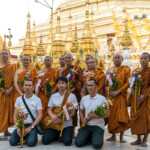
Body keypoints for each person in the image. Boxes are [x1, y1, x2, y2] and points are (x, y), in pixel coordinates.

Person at [42, 76, 78, 146]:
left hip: (66, 124)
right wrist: (52, 116)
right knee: (45, 141)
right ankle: (57, 134)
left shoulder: (72, 96)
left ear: (66, 84)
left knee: (67, 142)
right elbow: (49, 109)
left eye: (63, 83)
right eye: (59, 83)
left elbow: (73, 112)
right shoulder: (53, 96)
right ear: (57, 85)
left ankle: (61, 134)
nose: (61, 85)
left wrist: (62, 120)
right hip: (54, 123)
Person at [75, 79, 109, 149]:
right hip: (87, 125)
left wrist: (97, 116)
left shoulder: (102, 99)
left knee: (97, 145)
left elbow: (108, 114)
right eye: (88, 85)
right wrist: (82, 119)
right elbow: (81, 111)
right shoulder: (84, 98)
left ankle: (94, 137)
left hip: (98, 126)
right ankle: (90, 136)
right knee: (78, 143)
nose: (89, 87)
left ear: (96, 86)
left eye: (91, 85)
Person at [9, 79, 43, 147]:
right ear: (23, 87)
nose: (27, 87)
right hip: (21, 125)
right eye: (26, 85)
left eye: (29, 85)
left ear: (33, 88)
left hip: (31, 125)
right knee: (12, 142)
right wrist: (18, 128)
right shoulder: (19, 99)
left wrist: (30, 128)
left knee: (30, 143)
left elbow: (40, 115)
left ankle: (26, 136)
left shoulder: (37, 99)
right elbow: (15, 115)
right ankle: (24, 136)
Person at [106, 53, 131, 143]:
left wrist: (119, 91)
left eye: (119, 57)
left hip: (121, 95)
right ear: (113, 60)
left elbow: (128, 83)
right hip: (112, 96)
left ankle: (121, 137)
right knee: (112, 116)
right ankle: (113, 135)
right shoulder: (110, 70)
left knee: (122, 116)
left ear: (122, 59)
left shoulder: (126, 69)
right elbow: (107, 83)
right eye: (115, 58)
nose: (117, 59)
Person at [130, 53, 150, 147]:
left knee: (146, 119)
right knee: (135, 118)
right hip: (135, 99)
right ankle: (138, 139)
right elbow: (131, 84)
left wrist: (144, 96)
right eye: (141, 58)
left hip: (146, 99)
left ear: (149, 60)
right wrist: (133, 93)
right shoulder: (135, 71)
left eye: (145, 58)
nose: (143, 60)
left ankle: (145, 140)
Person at [61, 53, 83, 136]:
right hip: (64, 93)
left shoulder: (76, 68)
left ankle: (73, 130)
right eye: (65, 58)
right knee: (64, 109)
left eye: (69, 58)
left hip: (74, 93)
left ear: (72, 59)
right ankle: (65, 128)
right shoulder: (62, 70)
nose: (67, 59)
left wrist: (73, 89)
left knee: (73, 111)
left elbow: (80, 80)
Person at [0, 49, 17, 136]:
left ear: (9, 56)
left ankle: (5, 130)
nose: (4, 55)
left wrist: (10, 89)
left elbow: (15, 78)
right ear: (0, 56)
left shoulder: (13, 66)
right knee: (1, 110)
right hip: (1, 91)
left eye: (6, 54)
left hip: (10, 91)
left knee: (8, 110)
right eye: (3, 54)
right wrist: (3, 90)